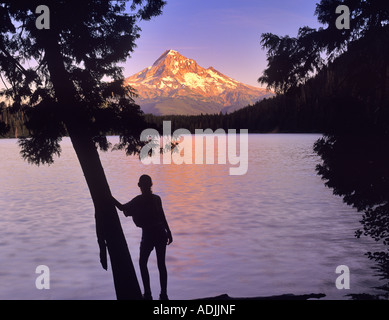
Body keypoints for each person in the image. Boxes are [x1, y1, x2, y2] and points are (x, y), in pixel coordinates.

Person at [112, 174, 173, 300]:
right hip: (161, 232)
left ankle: (148, 294)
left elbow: (122, 208)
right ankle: (163, 295)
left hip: (149, 235)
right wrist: (169, 232)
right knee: (161, 264)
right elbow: (162, 217)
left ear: (139, 185)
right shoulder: (157, 198)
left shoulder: (138, 200)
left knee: (142, 263)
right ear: (151, 185)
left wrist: (109, 198)